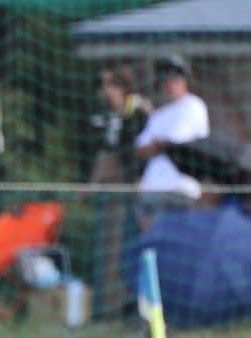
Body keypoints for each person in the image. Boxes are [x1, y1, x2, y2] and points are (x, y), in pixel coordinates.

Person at [88, 66, 151, 318]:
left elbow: (143, 149)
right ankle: (124, 305)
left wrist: (139, 177)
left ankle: (144, 305)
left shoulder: (139, 113)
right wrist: (94, 184)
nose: (106, 92)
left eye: (111, 86)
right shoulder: (112, 118)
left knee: (141, 244)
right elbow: (107, 154)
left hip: (143, 190)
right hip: (125, 192)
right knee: (123, 248)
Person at [134, 54, 210, 230]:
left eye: (175, 77)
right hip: (151, 191)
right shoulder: (159, 116)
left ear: (185, 80)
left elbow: (177, 143)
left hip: (179, 190)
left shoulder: (194, 106)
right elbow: (140, 148)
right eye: (165, 77)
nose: (169, 82)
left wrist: (158, 145)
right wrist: (159, 145)